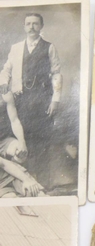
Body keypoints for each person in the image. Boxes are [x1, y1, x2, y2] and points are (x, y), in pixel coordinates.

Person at [0, 13, 62, 188]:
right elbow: (6, 70)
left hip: (42, 101)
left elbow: (57, 74)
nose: (32, 27)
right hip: (21, 101)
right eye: (28, 24)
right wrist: (4, 82)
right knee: (23, 139)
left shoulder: (49, 47)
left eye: (35, 24)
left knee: (42, 139)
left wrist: (55, 100)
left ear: (41, 26)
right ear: (24, 26)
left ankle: (44, 182)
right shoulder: (16, 48)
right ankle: (25, 181)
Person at [0, 91, 44, 198]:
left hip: (3, 141)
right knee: (11, 199)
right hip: (3, 167)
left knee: (19, 152)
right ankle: (15, 182)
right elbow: (3, 164)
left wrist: (22, 142)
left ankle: (18, 179)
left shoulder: (5, 93)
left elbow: (14, 120)